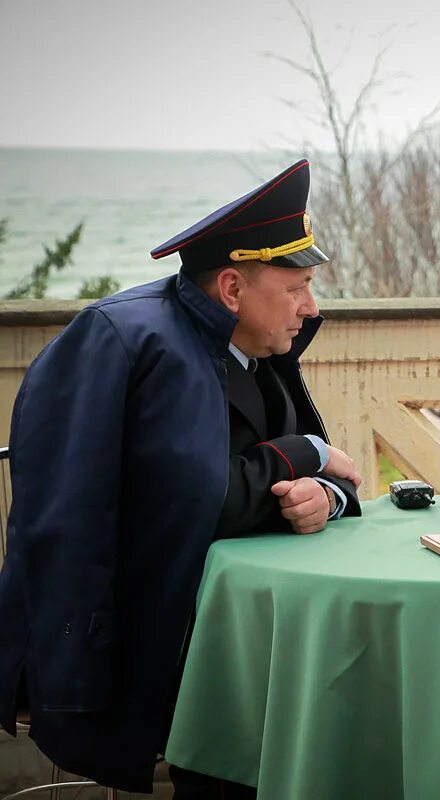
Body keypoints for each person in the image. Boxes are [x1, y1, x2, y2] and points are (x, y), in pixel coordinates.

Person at [0, 159, 364, 798]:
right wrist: (303, 453)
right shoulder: (135, 342)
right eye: (299, 285)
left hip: (238, 622)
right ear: (231, 288)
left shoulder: (250, 343)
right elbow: (199, 504)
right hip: (139, 641)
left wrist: (324, 497)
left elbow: (326, 473)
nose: (311, 308)